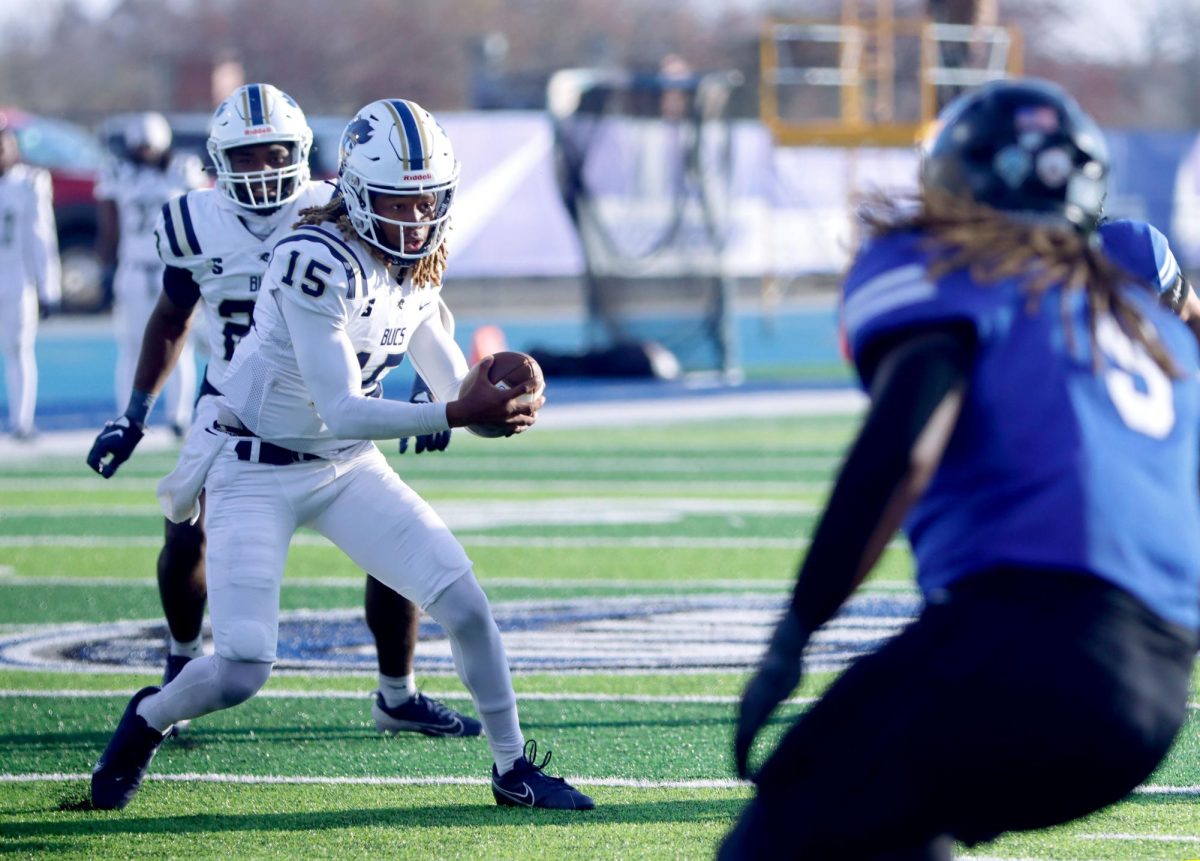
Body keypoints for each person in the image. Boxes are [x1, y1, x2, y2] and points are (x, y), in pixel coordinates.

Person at [721, 78, 1200, 860]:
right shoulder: (1155, 328)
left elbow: (905, 447)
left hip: (1034, 636)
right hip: (1158, 685)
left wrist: (797, 630)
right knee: (899, 817)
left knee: (784, 823)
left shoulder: (951, 274)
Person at [90, 97, 594, 812]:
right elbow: (342, 403)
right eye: (399, 202)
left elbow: (455, 387)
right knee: (240, 669)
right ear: (356, 192)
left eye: (429, 203)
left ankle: (513, 768)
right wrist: (457, 410)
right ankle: (147, 717)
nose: (417, 221)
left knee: (467, 604)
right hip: (251, 462)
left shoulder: (413, 263)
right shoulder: (311, 258)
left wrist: (507, 389)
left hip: (343, 463)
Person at [85, 84, 475, 740]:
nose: (264, 171)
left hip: (340, 394)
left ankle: (397, 692)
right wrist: (136, 411)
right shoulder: (191, 221)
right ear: (218, 160)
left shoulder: (336, 203)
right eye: (247, 157)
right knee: (184, 535)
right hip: (237, 401)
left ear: (301, 153)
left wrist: (429, 388)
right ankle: (181, 666)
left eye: (275, 155)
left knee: (396, 541)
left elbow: (410, 286)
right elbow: (172, 316)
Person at [96, 112, 206, 436]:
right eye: (139, 146)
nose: (145, 152)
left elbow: (200, 211)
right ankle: (127, 414)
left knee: (179, 344)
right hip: (133, 267)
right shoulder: (118, 171)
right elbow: (109, 220)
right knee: (130, 345)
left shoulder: (182, 168)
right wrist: (106, 265)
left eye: (149, 146)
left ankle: (179, 416)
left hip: (172, 267)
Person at [0, 115, 60, 440]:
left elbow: (41, 237)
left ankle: (21, 422)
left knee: (19, 349)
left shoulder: (29, 181)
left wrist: (48, 287)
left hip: (17, 280)